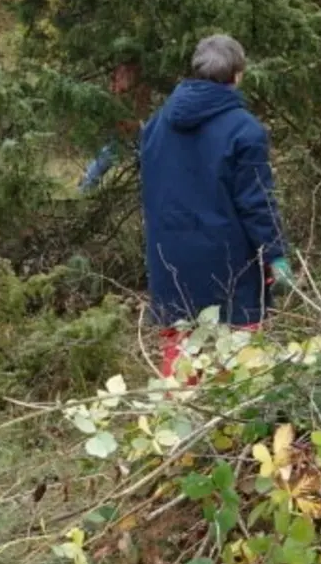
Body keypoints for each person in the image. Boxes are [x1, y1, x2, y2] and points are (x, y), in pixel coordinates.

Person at [139, 35, 292, 377]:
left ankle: (177, 426)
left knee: (181, 358)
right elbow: (257, 204)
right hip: (230, 263)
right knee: (241, 357)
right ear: (237, 75)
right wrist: (275, 257)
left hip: (170, 257)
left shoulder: (156, 125)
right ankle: (236, 426)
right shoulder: (244, 130)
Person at [77, 61, 150, 193]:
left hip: (135, 129)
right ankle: (86, 185)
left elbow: (141, 109)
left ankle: (86, 184)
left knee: (119, 152)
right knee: (110, 153)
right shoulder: (121, 84)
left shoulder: (139, 82)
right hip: (127, 130)